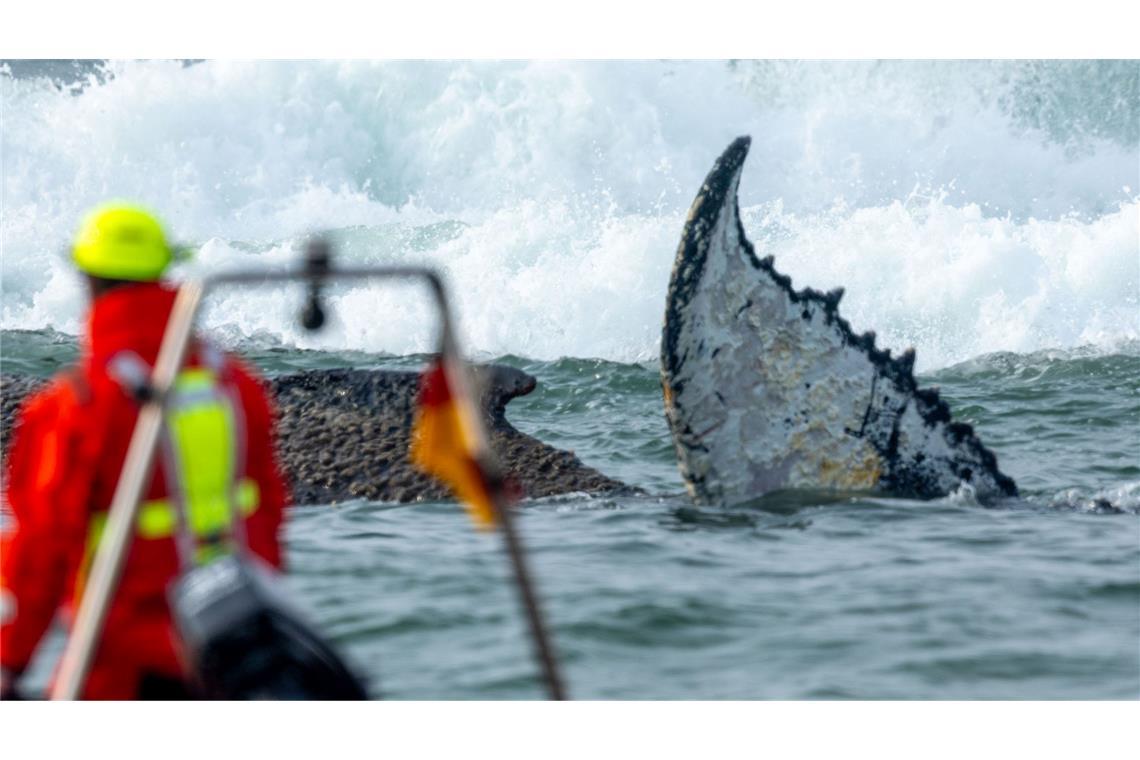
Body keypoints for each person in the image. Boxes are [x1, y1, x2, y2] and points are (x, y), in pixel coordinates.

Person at [0, 203, 290, 699]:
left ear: (89, 281)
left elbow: (38, 552)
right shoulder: (235, 386)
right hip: (236, 651)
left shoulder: (77, 405)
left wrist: (9, 660)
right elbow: (269, 513)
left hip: (123, 661)